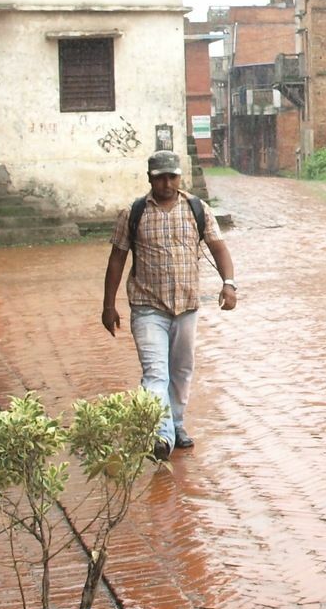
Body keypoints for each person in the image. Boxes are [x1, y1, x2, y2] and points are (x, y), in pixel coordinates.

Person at [100, 150, 238, 460]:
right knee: (155, 373)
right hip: (148, 307)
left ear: (180, 177)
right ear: (150, 178)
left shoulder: (196, 209)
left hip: (186, 308)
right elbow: (116, 260)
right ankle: (161, 437)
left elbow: (219, 248)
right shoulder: (132, 213)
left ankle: (175, 424)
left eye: (172, 177)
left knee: (181, 371)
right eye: (160, 177)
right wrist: (109, 306)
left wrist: (229, 284)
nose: (166, 183)